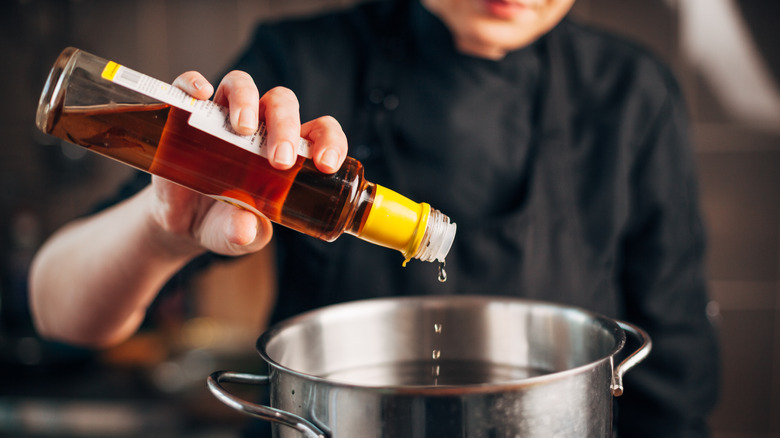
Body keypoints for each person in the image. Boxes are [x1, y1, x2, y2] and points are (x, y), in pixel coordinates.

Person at [29, 0, 720, 436]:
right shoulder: (300, 63)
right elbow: (57, 311)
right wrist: (159, 228)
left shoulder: (633, 96)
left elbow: (676, 382)